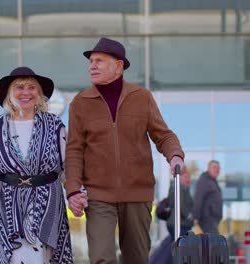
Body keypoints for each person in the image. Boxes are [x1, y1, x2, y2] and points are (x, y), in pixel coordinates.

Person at [65, 37, 186, 264]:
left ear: (118, 66)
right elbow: (74, 151)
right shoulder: (80, 103)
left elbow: (164, 135)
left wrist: (175, 155)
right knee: (102, 257)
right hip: (98, 195)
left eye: (99, 61)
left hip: (137, 193)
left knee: (137, 258)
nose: (92, 65)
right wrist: (72, 190)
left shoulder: (141, 97)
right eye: (91, 61)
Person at [0, 67, 73, 264]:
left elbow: (67, 164)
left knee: (43, 257)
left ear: (39, 94)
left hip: (46, 201)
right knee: (13, 257)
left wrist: (75, 192)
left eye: (32, 87)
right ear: (9, 94)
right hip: (6, 201)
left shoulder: (54, 124)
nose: (26, 92)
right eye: (19, 87)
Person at [193, 160, 222, 234]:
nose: (217, 170)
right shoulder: (204, 181)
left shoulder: (212, 181)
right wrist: (196, 217)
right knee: (215, 241)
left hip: (212, 219)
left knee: (212, 241)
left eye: (218, 168)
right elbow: (198, 198)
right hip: (207, 218)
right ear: (208, 169)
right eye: (214, 167)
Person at [167, 170, 194, 240]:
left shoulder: (175, 187)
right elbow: (181, 206)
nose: (188, 179)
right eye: (186, 177)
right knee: (182, 247)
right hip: (180, 224)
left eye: (189, 177)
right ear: (179, 177)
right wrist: (190, 217)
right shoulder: (180, 188)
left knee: (176, 246)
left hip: (175, 223)